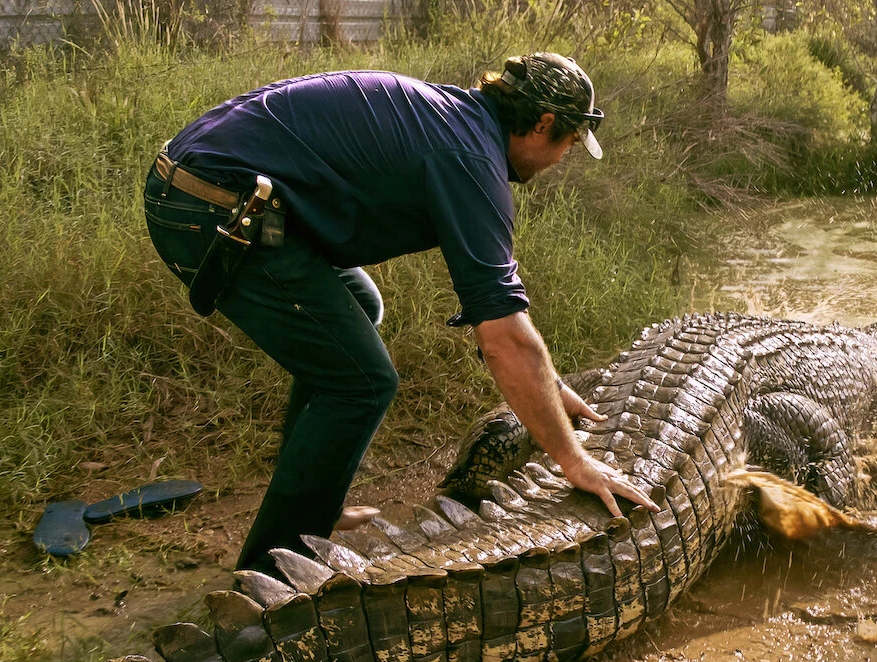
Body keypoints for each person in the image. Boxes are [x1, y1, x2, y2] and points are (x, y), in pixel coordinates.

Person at [143, 52, 659, 576]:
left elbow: (495, 302)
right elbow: (505, 337)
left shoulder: (461, 122)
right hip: (209, 203)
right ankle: (272, 575)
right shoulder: (469, 158)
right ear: (543, 124)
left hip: (208, 179)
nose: (564, 156)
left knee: (360, 307)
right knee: (361, 382)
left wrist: (545, 382)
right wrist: (574, 460)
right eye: (569, 143)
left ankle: (309, 505)